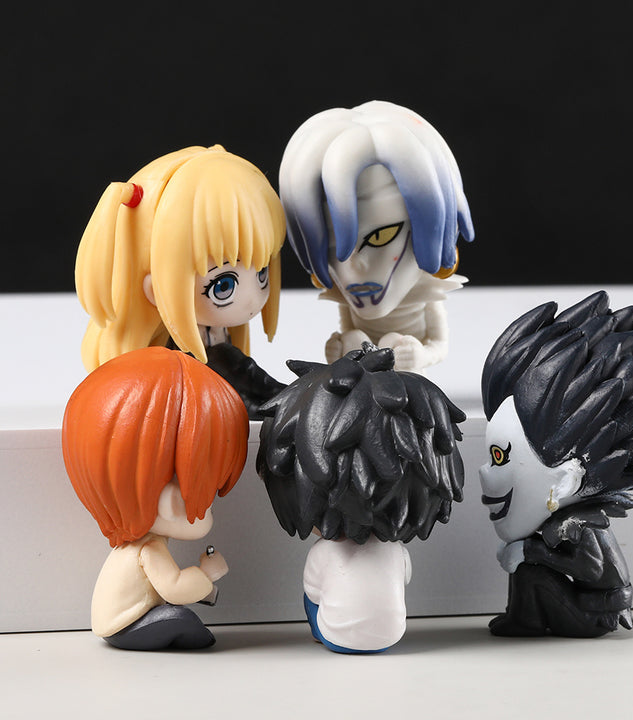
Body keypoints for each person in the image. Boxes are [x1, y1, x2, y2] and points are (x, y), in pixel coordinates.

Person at [479, 291, 633, 637]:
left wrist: (531, 551)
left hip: (595, 613)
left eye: (499, 457)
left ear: (566, 481)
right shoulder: (562, 520)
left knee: (527, 568)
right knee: (525, 566)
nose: (484, 472)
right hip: (583, 602)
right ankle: (524, 619)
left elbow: (592, 568)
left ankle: (525, 621)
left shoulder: (582, 526)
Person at [256, 343, 465, 652]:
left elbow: (314, 591)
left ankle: (320, 632)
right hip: (392, 635)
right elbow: (403, 577)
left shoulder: (325, 553)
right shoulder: (395, 552)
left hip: (336, 635)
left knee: (312, 599)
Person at [75, 144, 286, 416]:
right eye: (223, 286)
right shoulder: (163, 357)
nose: (252, 300)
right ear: (155, 290)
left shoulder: (218, 333)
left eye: (262, 273)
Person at [62, 347, 249, 649]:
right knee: (183, 620)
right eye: (206, 494)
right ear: (172, 502)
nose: (208, 507)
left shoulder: (141, 546)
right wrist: (206, 574)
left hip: (130, 618)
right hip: (125, 626)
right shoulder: (149, 550)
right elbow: (174, 589)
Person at [279, 101, 474, 373]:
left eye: (380, 236)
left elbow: (439, 346)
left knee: (393, 344)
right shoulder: (349, 300)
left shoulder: (425, 299)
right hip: (363, 385)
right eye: (330, 248)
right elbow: (347, 334)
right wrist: (339, 349)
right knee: (354, 341)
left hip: (408, 385)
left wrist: (420, 356)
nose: (353, 267)